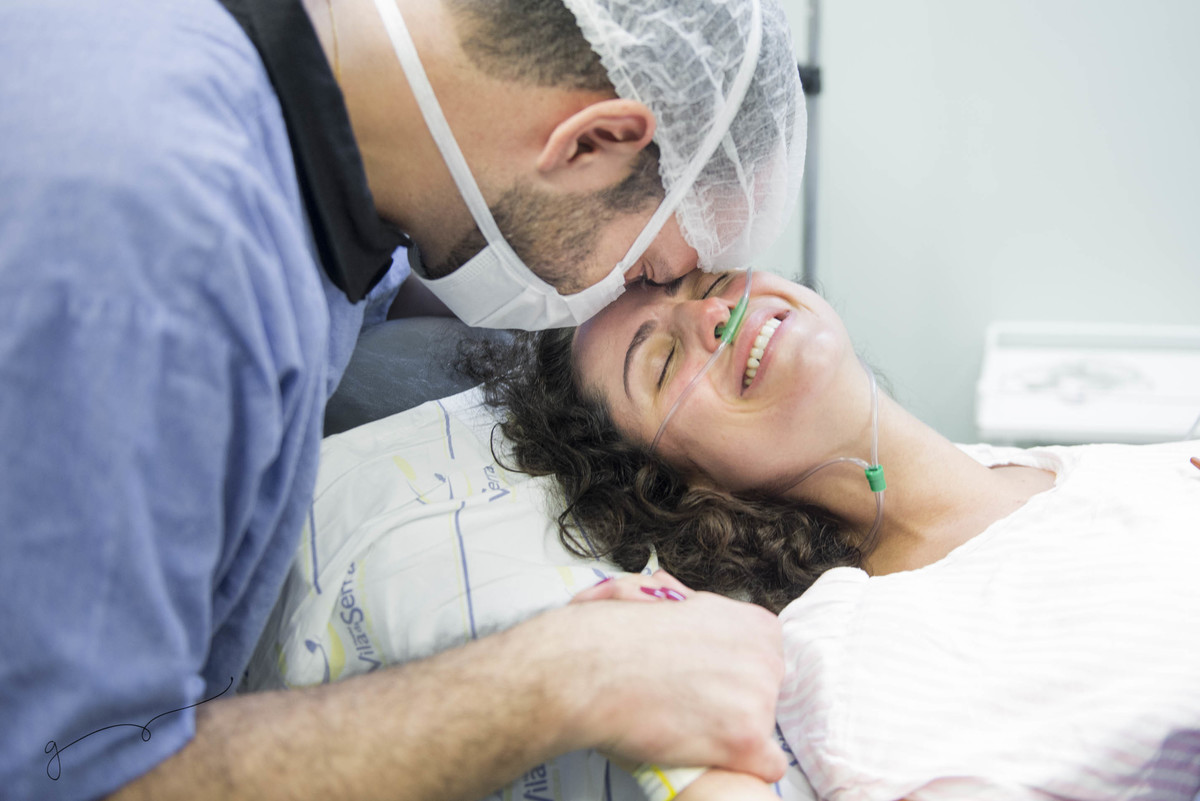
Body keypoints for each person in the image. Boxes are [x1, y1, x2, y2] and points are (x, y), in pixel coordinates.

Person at [0, 0, 807, 798]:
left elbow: (354, 287)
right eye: (642, 275)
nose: (612, 308)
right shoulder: (160, 254)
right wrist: (566, 675)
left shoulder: (322, 135)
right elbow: (64, 773)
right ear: (590, 142)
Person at [472, 269, 1200, 799]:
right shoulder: (863, 661)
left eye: (711, 281)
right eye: (662, 362)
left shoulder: (1100, 468)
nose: (717, 314)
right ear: (678, 490)